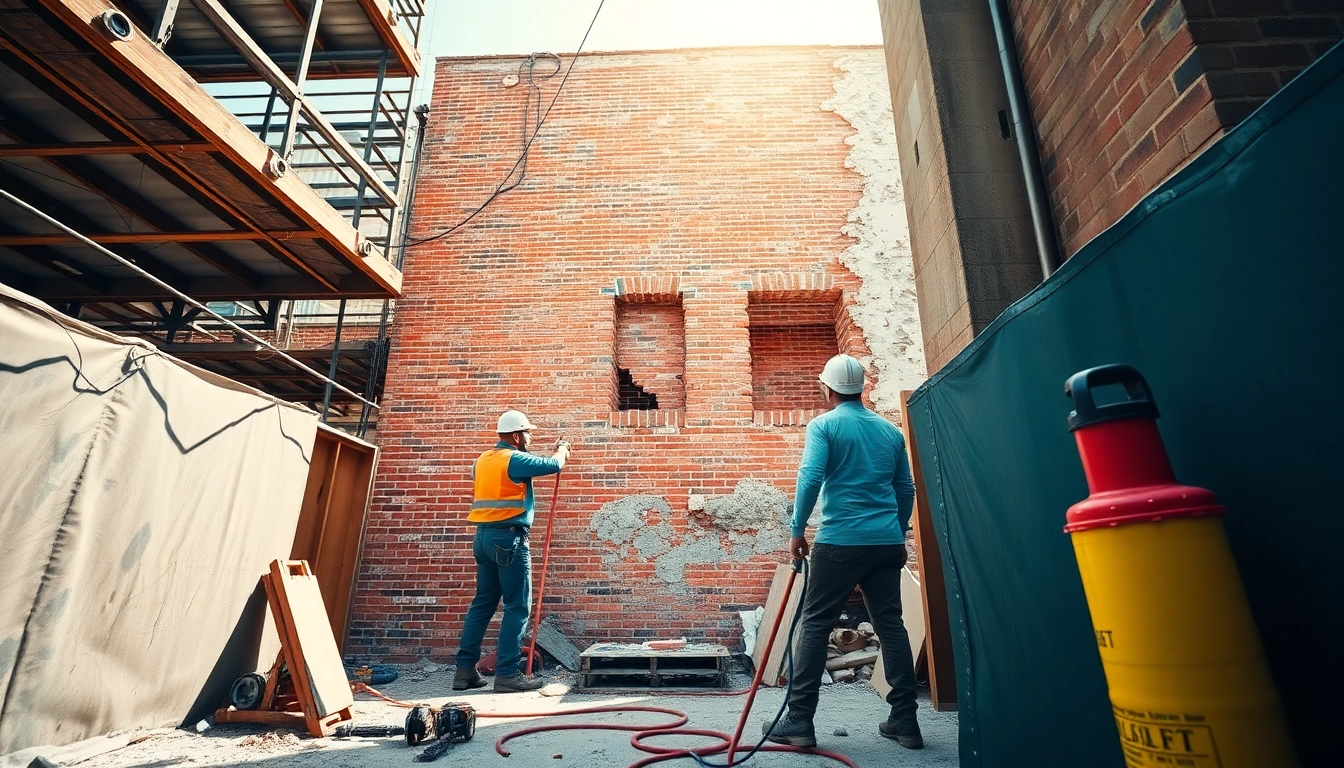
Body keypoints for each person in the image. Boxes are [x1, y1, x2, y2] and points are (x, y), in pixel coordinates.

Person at [763, 354, 923, 749]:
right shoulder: (890, 432)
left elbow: (811, 476)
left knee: (816, 624)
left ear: (827, 389)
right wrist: (897, 530)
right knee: (891, 625)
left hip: (841, 542)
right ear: (862, 388)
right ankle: (905, 721)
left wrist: (797, 530)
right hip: (886, 543)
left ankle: (799, 722)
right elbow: (906, 490)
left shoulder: (825, 425)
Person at [453, 409, 571, 693]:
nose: (530, 437)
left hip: (482, 539)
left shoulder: (482, 460)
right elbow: (552, 465)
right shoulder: (514, 458)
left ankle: (464, 672)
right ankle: (507, 674)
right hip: (509, 539)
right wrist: (562, 449)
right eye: (528, 433)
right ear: (516, 436)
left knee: (482, 605)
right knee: (517, 606)